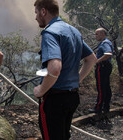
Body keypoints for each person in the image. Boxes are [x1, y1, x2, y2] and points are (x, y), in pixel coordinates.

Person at [33, 0, 97, 139]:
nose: (36, 17)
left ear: (43, 11)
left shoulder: (50, 33)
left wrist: (40, 90)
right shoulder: (73, 31)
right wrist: (77, 80)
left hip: (55, 99)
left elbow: (55, 68)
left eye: (37, 13)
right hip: (72, 97)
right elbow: (91, 58)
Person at [89, 28, 113, 114]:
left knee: (101, 87)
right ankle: (106, 107)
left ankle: (98, 107)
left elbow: (108, 54)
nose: (96, 36)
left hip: (102, 67)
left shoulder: (104, 43)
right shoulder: (107, 42)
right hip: (106, 66)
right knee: (106, 87)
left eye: (97, 34)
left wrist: (97, 61)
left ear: (103, 34)